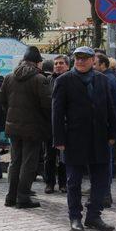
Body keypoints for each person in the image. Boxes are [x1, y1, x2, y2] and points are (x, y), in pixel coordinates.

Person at [53, 47, 116, 231]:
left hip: (99, 138)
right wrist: (59, 139)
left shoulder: (102, 79)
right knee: (74, 181)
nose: (80, 61)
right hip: (74, 138)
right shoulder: (64, 80)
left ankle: (94, 216)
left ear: (92, 60)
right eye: (77, 58)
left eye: (84, 58)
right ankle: (75, 217)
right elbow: (56, 112)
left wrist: (113, 134)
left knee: (101, 181)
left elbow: (110, 108)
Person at [0, 46, 51, 208]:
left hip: (13, 127)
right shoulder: (40, 79)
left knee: (15, 162)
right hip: (33, 128)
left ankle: (10, 197)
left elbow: (2, 101)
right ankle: (22, 197)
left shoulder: (8, 77)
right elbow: (47, 105)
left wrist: (11, 116)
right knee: (29, 163)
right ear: (37, 62)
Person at [94, 53, 116, 207]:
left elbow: (114, 106)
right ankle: (102, 193)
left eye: (95, 63)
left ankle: (105, 194)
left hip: (103, 128)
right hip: (103, 127)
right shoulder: (108, 78)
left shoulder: (107, 80)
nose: (92, 66)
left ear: (103, 65)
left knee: (105, 162)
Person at [44, 55, 69, 193]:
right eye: (56, 63)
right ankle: (49, 183)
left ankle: (63, 183)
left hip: (66, 124)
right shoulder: (49, 80)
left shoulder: (72, 79)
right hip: (50, 124)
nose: (58, 65)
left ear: (67, 66)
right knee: (49, 156)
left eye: (61, 63)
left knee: (64, 157)